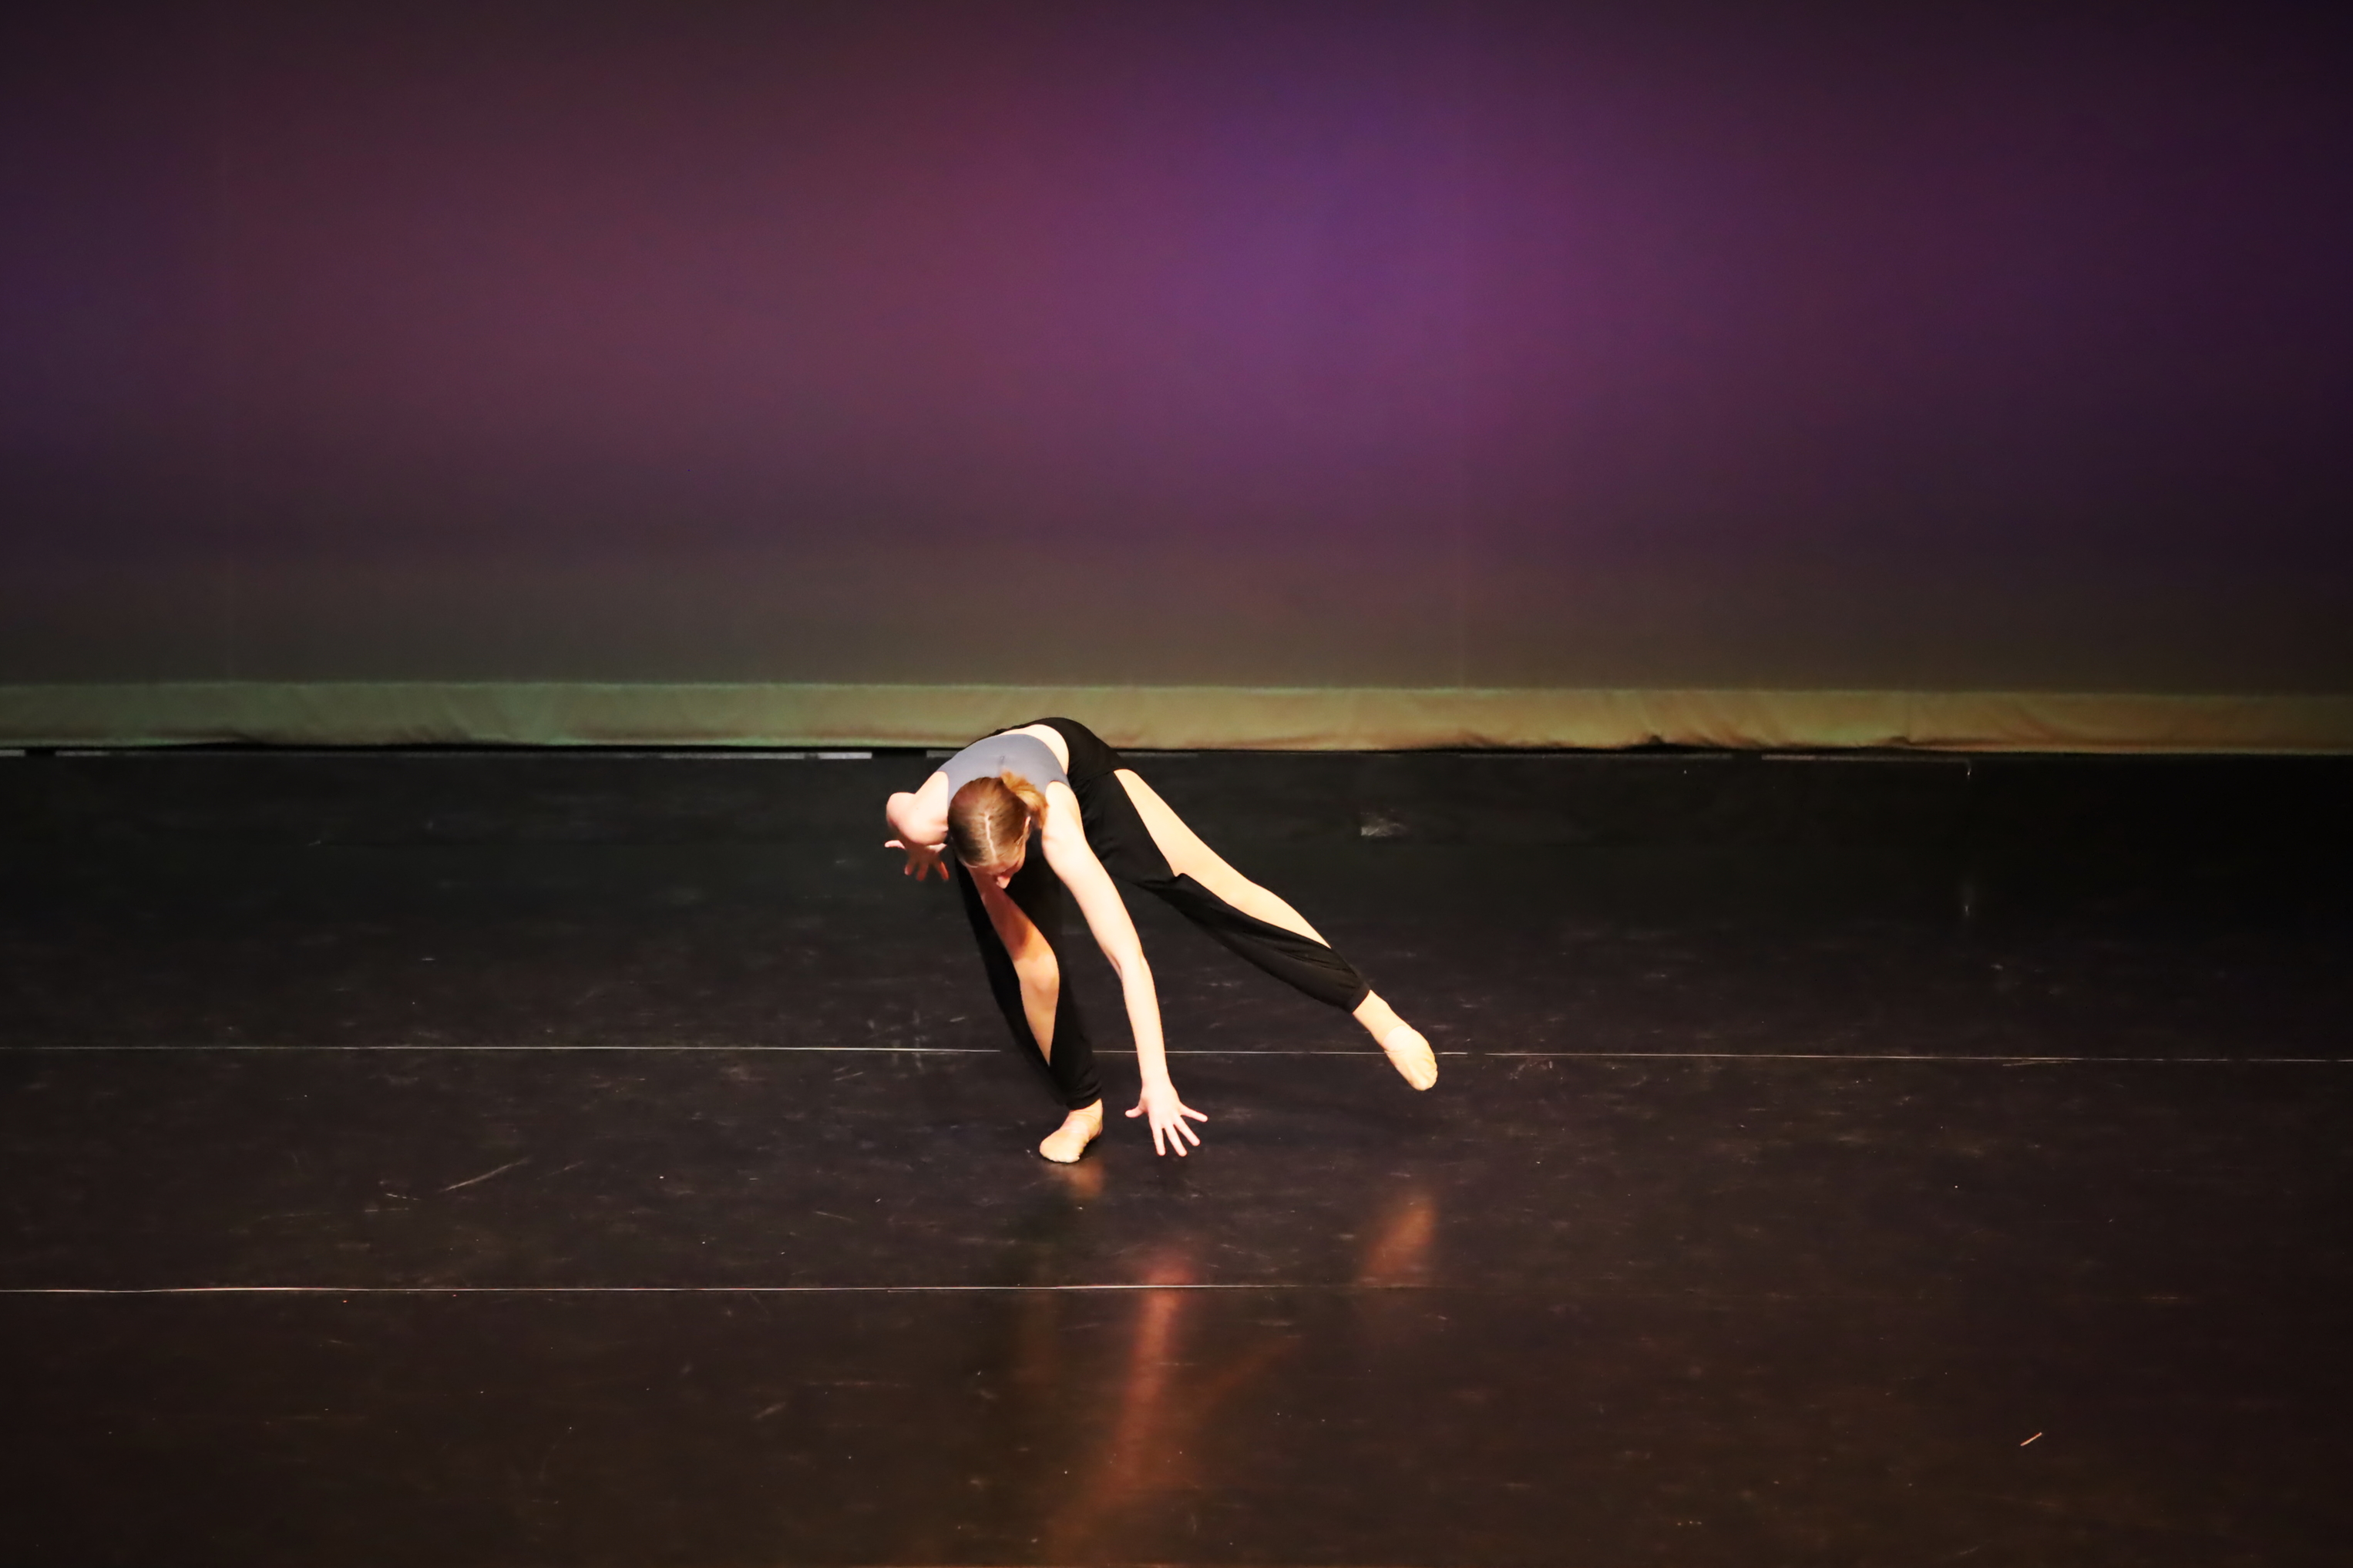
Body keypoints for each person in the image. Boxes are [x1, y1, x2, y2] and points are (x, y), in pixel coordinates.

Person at [883, 717, 1437, 1162]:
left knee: (1214, 887)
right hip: (986, 805)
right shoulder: (925, 820)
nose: (1003, 880)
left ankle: (1380, 1017)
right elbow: (896, 805)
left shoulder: (1060, 832)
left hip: (1075, 769)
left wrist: (1157, 1081)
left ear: (1027, 830)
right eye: (987, 871)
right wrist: (918, 848)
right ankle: (1083, 1109)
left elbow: (1129, 959)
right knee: (1031, 968)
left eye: (1008, 867)